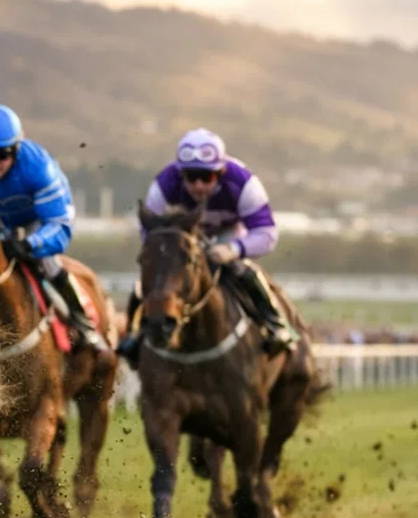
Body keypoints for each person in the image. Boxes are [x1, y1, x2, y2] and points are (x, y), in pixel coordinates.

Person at [116, 128, 299, 366]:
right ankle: (135, 335)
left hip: (228, 234)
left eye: (207, 177)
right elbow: (149, 232)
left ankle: (275, 324)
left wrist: (234, 249)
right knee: (147, 283)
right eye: (191, 177)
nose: (199, 185)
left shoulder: (243, 182)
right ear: (181, 174)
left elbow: (267, 233)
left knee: (242, 269)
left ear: (221, 173)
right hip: (181, 240)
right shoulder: (164, 183)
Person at [0, 104, 109, 352]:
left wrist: (29, 244)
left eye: (2, 154)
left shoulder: (39, 169)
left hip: (38, 222)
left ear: (16, 149)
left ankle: (83, 323)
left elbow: (59, 224)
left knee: (49, 263)